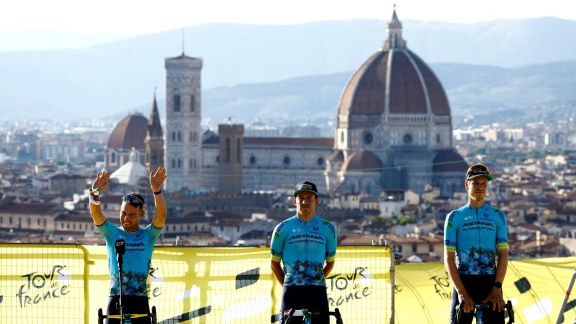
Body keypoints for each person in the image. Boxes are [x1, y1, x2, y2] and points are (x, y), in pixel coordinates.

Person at [89, 167, 167, 324]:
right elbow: (96, 214)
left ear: (141, 215)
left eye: (132, 215)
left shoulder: (148, 235)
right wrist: (94, 191)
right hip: (115, 298)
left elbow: (161, 216)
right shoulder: (111, 233)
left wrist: (156, 191)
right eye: (123, 213)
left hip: (139, 300)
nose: (126, 218)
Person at [444, 163, 509, 324]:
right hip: (464, 281)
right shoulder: (454, 217)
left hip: (490, 282)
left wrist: (497, 289)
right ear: (467, 185)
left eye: (484, 184)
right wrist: (461, 293)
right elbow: (448, 258)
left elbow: (503, 255)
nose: (480, 187)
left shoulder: (498, 216)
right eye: (475, 183)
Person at [270, 181, 337, 324]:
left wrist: (315, 280)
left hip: (317, 292)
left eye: (309, 198)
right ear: (295, 201)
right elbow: (274, 264)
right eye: (301, 198)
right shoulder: (282, 228)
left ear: (316, 201)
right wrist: (288, 285)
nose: (305, 201)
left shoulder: (328, 228)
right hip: (292, 291)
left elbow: (330, 263)